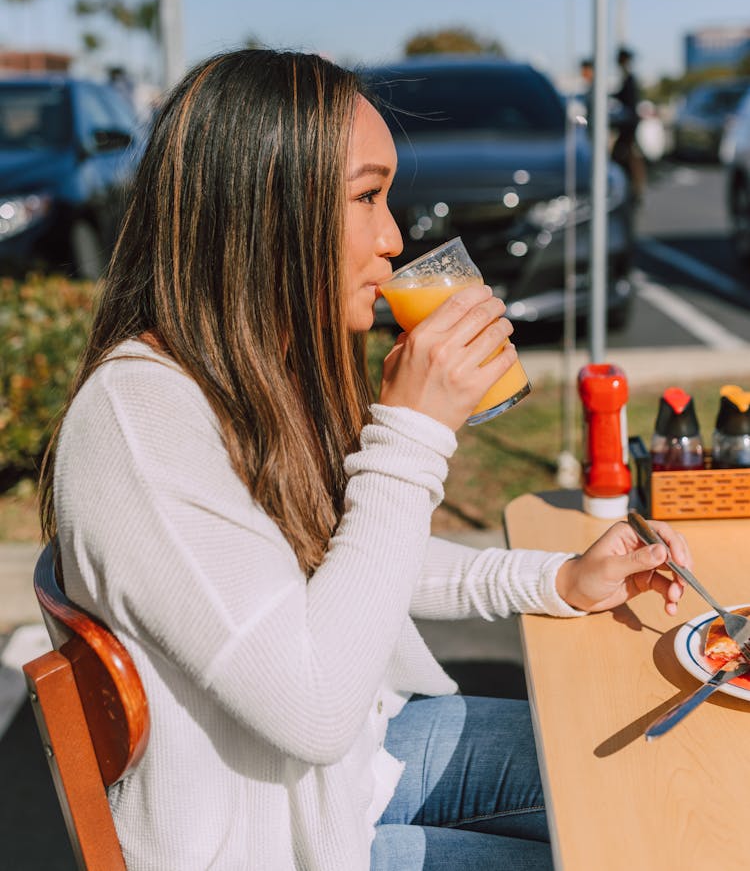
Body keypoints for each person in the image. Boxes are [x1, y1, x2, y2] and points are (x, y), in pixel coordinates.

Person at [38, 48, 691, 871]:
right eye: (367, 196)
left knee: (644, 762)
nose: (394, 235)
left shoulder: (244, 373)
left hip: (352, 774)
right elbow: (312, 704)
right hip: (273, 843)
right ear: (263, 210)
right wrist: (411, 434)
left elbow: (349, 561)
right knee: (636, 833)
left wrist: (558, 578)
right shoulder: (141, 420)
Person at [611, 46, 647, 201]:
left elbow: (629, 103)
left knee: (629, 155)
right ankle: (634, 188)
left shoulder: (629, 79)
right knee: (627, 155)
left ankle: (636, 189)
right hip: (627, 124)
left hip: (629, 124)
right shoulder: (627, 78)